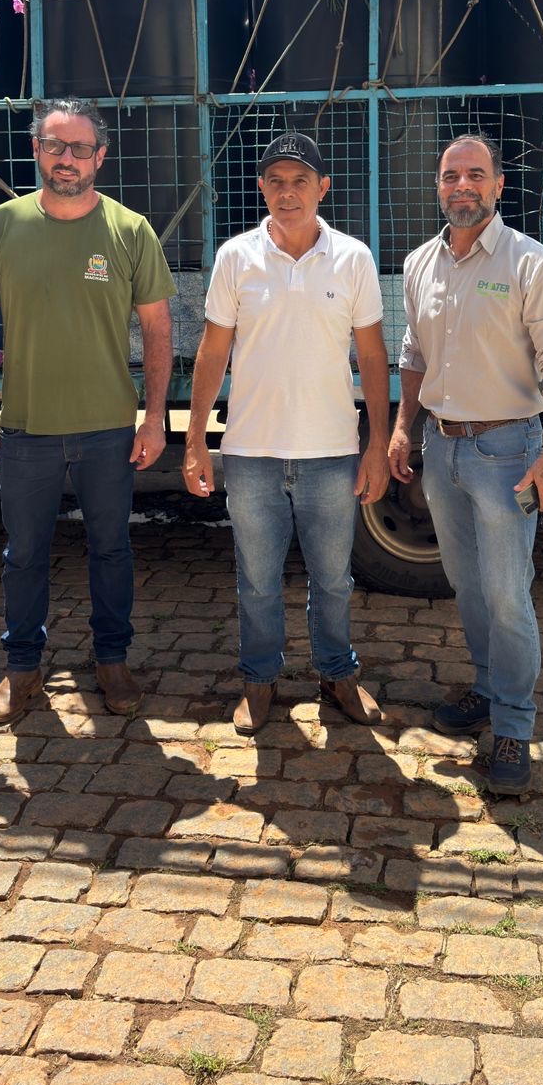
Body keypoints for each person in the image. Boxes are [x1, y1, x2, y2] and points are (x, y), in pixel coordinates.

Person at [0, 97, 176, 727]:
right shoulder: (0, 226)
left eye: (80, 147)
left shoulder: (130, 231)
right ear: (36, 150)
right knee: (23, 554)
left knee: (112, 550)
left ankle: (112, 662)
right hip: (26, 429)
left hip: (109, 429)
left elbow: (158, 328)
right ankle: (22, 668)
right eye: (55, 145)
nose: (67, 158)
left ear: (100, 156)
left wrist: (154, 418)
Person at [388, 133, 543, 794]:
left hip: (507, 452)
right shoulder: (420, 264)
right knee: (466, 585)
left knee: (506, 593)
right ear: (438, 187)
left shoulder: (532, 264)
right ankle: (488, 686)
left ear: (499, 185)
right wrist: (402, 429)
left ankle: (514, 728)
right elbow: (414, 353)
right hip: (442, 450)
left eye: (475, 174)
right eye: (451, 176)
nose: (462, 185)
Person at [182, 131, 390, 735]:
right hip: (252, 452)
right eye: (276, 181)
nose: (288, 192)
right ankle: (259, 679)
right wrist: (195, 440)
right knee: (257, 581)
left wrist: (377, 444)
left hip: (331, 451)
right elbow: (213, 351)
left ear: (323, 188)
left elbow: (372, 356)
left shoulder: (353, 258)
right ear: (261, 188)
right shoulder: (235, 258)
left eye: (301, 181)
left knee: (334, 580)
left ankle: (337, 673)